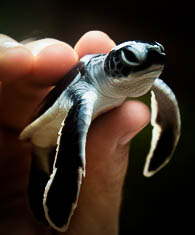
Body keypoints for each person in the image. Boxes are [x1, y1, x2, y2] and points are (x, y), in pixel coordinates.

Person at [0, 31, 150, 235]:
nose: (144, 66)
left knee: (54, 157)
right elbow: (69, 155)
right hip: (41, 137)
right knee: (50, 154)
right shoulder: (87, 89)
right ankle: (51, 205)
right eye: (131, 58)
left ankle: (50, 209)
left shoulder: (138, 77)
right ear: (112, 61)